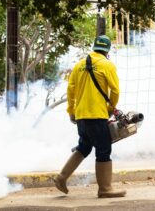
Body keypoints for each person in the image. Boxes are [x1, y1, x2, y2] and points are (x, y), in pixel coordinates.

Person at [54, 35, 126, 198]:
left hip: (81, 116)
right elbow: (115, 90)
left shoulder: (79, 65)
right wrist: (110, 108)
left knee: (84, 147)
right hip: (96, 115)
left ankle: (61, 178)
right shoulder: (107, 65)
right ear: (107, 51)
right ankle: (105, 189)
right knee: (103, 149)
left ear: (94, 47)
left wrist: (71, 111)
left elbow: (70, 91)